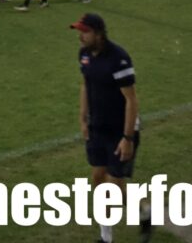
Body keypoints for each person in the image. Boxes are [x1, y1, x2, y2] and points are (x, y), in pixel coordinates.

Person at [73, 13, 145, 243]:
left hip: (119, 130)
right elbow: (86, 84)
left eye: (85, 32)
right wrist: (83, 118)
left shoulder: (118, 59)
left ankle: (106, 239)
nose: (80, 36)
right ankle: (145, 211)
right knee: (98, 179)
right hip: (97, 127)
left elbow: (131, 100)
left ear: (99, 33)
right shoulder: (84, 55)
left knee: (111, 189)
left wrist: (128, 137)